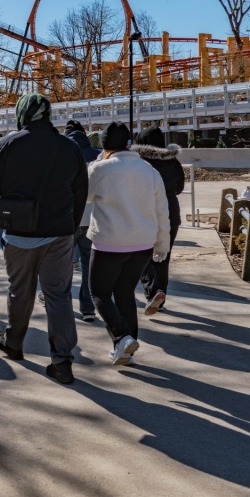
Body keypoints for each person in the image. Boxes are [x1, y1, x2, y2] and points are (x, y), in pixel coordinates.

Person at [0, 93, 88, 385]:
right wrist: (70, 227)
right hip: (60, 234)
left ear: (22, 114)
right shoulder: (70, 147)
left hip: (19, 232)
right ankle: (62, 361)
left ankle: (13, 343)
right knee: (58, 295)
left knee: (19, 290)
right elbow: (80, 192)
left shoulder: (7, 144)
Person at [87, 122, 171, 366]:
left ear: (105, 145)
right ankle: (126, 350)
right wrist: (161, 246)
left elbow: (84, 196)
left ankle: (122, 337)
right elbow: (161, 211)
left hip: (109, 242)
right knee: (124, 293)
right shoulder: (149, 170)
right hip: (143, 244)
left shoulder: (100, 169)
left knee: (99, 292)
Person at [133, 125, 184, 315]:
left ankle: (153, 291)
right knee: (163, 255)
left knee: (141, 253)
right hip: (171, 211)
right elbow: (179, 188)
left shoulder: (139, 162)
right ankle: (159, 298)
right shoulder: (173, 162)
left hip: (146, 211)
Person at [65, 120, 101, 322]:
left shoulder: (62, 153)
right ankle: (88, 308)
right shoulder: (98, 155)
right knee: (88, 265)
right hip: (92, 219)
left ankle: (62, 303)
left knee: (63, 264)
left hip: (68, 218)